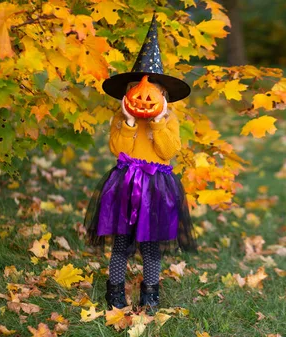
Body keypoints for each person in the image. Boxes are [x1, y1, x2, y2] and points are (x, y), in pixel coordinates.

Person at [84, 13, 197, 314]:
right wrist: (130, 121)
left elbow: (168, 152)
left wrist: (158, 122)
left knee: (151, 246)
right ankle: (115, 293)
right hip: (125, 184)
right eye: (137, 92)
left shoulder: (170, 120)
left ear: (164, 97)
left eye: (153, 94)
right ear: (127, 95)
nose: (145, 98)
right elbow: (117, 149)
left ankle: (150, 294)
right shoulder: (122, 118)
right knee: (121, 243)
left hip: (157, 188)